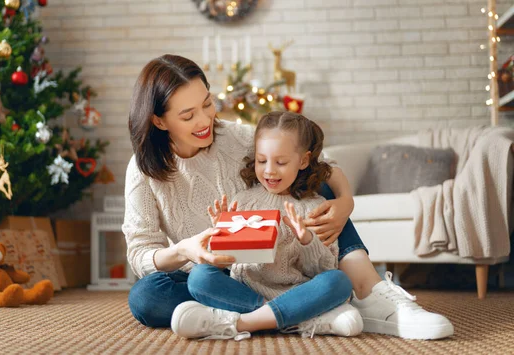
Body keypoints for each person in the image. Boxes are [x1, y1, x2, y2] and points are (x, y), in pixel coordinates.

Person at [123, 54, 453, 340]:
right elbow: (141, 253)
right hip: (211, 278)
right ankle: (299, 314)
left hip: (268, 265)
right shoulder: (143, 171)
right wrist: (185, 249)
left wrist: (346, 201)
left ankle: (370, 292)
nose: (206, 119)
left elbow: (319, 163)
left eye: (207, 103)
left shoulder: (233, 137)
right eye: (188, 115)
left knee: (303, 174)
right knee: (146, 297)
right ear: (158, 120)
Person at [171, 111, 364, 340]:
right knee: (200, 277)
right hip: (247, 293)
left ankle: (242, 323)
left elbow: (324, 269)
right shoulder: (242, 201)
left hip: (297, 292)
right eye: (262, 161)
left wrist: (306, 240)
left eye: (281, 162)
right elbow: (231, 265)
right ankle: (299, 318)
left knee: (339, 281)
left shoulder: (314, 207)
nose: (270, 170)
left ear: (303, 160)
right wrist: (222, 232)